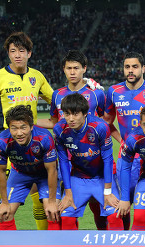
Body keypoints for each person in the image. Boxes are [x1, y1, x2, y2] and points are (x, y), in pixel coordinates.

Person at [0, 32, 54, 241]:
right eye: (13, 51)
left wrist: (82, 90)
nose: (17, 55)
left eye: (21, 51)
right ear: (8, 54)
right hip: (5, 143)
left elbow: (57, 102)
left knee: (38, 197)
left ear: (29, 53)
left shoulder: (37, 77)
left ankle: (45, 242)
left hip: (32, 144)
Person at [41, 49, 110, 231]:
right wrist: (28, 124)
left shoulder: (97, 94)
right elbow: (55, 122)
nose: (72, 72)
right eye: (69, 68)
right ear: (63, 69)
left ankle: (103, 237)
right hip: (66, 154)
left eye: (76, 68)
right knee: (68, 203)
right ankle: (68, 244)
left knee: (97, 205)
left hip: (90, 156)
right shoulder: (56, 95)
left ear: (84, 69)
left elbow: (102, 120)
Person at [105, 52, 145, 230]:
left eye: (134, 67)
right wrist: (122, 140)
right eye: (127, 67)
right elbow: (107, 122)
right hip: (128, 154)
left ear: (143, 68)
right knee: (125, 198)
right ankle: (126, 240)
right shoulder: (114, 91)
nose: (130, 71)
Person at [52, 93, 123, 230]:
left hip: (102, 178)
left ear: (85, 113)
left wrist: (107, 192)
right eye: (67, 114)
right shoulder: (60, 130)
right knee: (66, 217)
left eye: (75, 114)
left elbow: (108, 159)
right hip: (78, 177)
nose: (71, 119)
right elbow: (63, 161)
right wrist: (68, 192)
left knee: (114, 215)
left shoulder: (99, 127)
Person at [0, 105, 60, 230]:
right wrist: (5, 203)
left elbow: (52, 170)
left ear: (31, 127)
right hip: (20, 173)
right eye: (14, 128)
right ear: (9, 128)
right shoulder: (2, 141)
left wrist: (51, 201)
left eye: (23, 127)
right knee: (5, 214)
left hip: (44, 174)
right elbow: (1, 171)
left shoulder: (44, 138)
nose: (19, 133)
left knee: (52, 212)